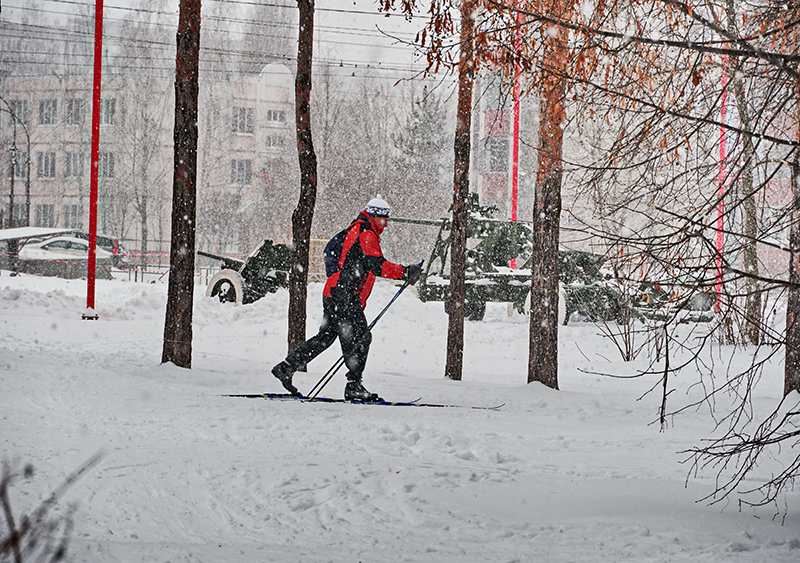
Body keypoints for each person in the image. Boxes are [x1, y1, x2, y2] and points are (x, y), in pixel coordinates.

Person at [271, 195, 422, 401]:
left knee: (326, 338)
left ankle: (286, 368)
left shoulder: (358, 230)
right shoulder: (366, 234)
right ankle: (354, 385)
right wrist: (405, 272)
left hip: (334, 292)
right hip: (344, 296)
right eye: (382, 219)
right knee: (361, 337)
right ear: (372, 216)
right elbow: (378, 266)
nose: (385, 225)